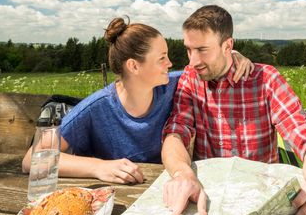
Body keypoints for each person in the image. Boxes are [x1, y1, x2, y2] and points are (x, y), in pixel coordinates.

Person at [22, 17, 253, 184]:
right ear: (133, 66)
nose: (170, 64)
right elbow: (32, 160)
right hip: (115, 200)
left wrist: (231, 55)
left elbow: (208, 67)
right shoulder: (95, 108)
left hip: (164, 189)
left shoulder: (173, 85)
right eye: (162, 58)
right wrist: (98, 167)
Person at [161, 5, 306, 215]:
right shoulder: (191, 77)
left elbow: (305, 137)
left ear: (228, 45)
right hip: (208, 202)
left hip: (263, 205)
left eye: (203, 50)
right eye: (189, 49)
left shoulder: (266, 79)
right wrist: (182, 174)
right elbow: (177, 131)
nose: (193, 61)